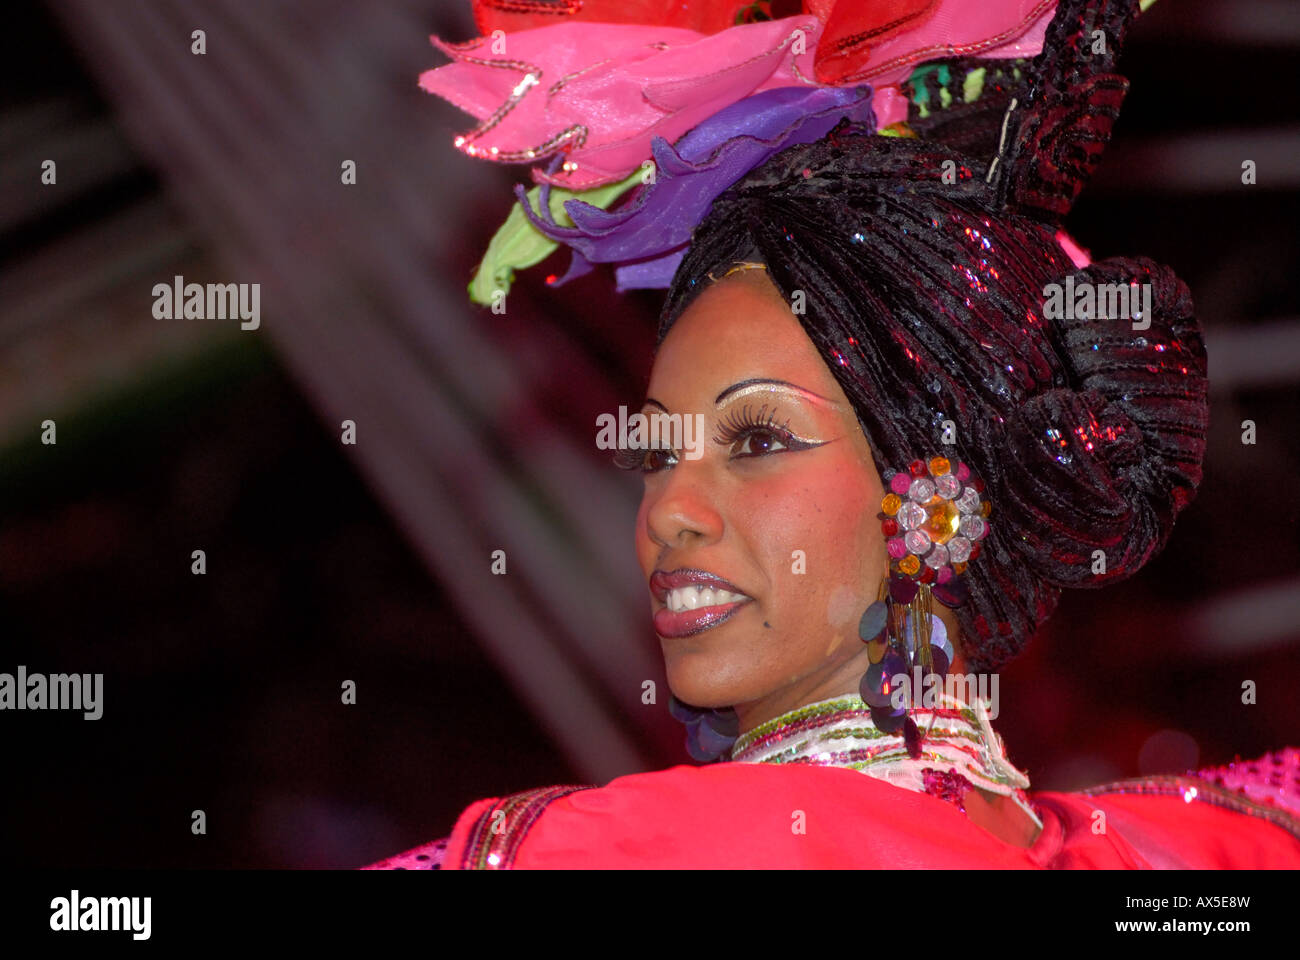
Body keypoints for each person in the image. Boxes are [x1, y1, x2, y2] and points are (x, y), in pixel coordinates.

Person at [364, 0, 1300, 868]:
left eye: (759, 438)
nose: (670, 513)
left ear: (941, 491)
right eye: (656, 454)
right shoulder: (1200, 847)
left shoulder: (622, 851)